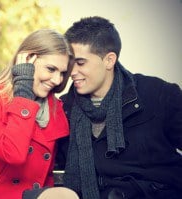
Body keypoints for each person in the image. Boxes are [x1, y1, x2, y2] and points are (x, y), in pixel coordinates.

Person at [56, 16, 182, 199]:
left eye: (81, 63)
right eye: (70, 63)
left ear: (109, 60)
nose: (72, 72)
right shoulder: (64, 108)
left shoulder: (158, 94)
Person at [0, 29, 78, 199]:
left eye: (62, 73)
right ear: (26, 60)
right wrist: (23, 88)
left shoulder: (55, 109)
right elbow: (14, 154)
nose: (57, 80)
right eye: (51, 69)